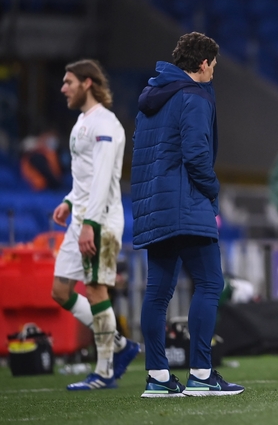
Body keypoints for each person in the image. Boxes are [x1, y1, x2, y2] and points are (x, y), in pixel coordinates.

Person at [131, 32, 244, 397]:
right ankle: (200, 372)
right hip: (187, 203)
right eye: (213, 65)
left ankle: (158, 377)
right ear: (202, 63)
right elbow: (196, 154)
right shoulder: (193, 96)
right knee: (211, 283)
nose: (214, 72)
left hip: (154, 205)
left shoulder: (150, 100)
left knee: (157, 292)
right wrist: (212, 190)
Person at [49, 59, 141, 390]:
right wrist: (70, 202)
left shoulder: (106, 124)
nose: (63, 88)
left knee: (95, 288)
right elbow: (86, 176)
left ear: (87, 83)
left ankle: (103, 371)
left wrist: (89, 222)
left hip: (99, 218)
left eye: (68, 82)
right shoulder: (82, 123)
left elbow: (104, 178)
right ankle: (117, 344)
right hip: (82, 216)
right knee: (60, 290)